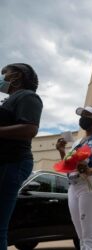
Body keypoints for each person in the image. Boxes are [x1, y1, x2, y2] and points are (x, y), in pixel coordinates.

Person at [55, 106, 92, 250]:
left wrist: (90, 170)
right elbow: (69, 166)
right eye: (82, 115)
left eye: (87, 115)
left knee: (90, 237)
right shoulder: (77, 142)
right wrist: (62, 151)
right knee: (82, 237)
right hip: (74, 186)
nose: (82, 118)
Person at [0, 63, 43, 250]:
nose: (2, 77)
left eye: (5, 73)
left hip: (12, 162)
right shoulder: (8, 100)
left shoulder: (28, 97)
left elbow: (30, 128)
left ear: (17, 76)